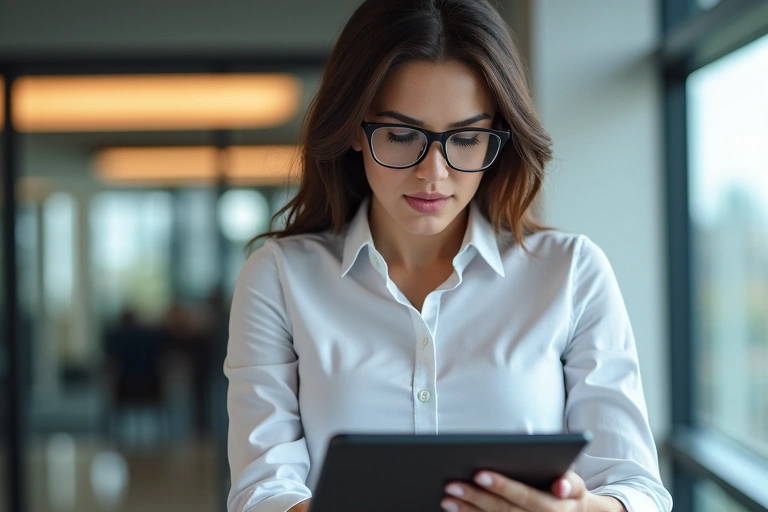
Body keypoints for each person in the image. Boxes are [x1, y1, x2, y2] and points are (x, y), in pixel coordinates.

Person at [224, 0, 673, 511]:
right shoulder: (280, 277)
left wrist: (581, 509)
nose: (433, 173)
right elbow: (263, 490)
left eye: (465, 138)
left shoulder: (570, 272)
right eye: (400, 135)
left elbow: (638, 489)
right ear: (353, 128)